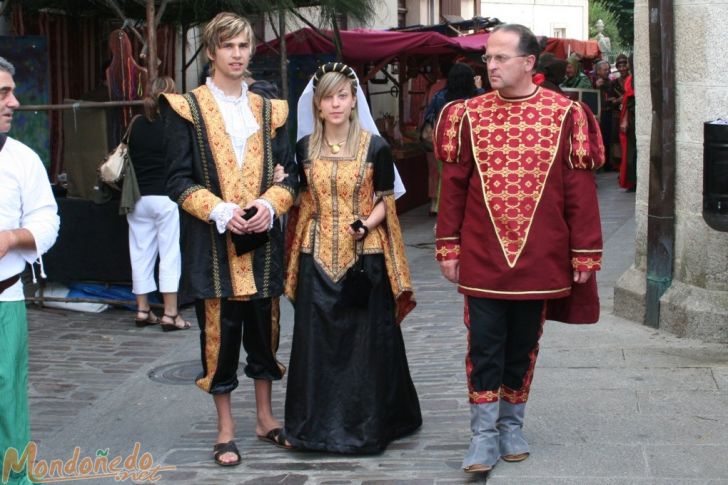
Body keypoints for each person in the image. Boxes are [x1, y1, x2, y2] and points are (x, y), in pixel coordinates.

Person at [433, 24, 604, 474]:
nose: (490, 66)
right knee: (484, 343)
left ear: (528, 62)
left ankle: (511, 424)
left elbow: (578, 190)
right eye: (487, 58)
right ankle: (483, 435)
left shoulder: (565, 114)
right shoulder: (466, 114)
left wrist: (585, 251)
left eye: (500, 58)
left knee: (524, 344)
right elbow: (452, 188)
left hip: (541, 254)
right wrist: (449, 246)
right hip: (483, 254)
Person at [160, 12, 298, 467]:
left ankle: (265, 418)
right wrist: (220, 211)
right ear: (212, 51)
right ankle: (225, 429)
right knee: (218, 339)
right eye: (229, 46)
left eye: (243, 46)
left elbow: (290, 174)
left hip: (261, 241)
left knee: (265, 331)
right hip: (214, 247)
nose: (237, 55)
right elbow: (177, 180)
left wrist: (270, 204)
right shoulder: (187, 108)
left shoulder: (271, 109)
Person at [283, 62, 421, 453]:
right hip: (316, 255)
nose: (336, 103)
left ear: (353, 99)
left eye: (342, 95)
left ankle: (368, 426)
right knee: (317, 342)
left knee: (366, 343)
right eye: (328, 97)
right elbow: (302, 200)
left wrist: (366, 222)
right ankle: (312, 428)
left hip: (365, 258)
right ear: (318, 104)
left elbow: (385, 202)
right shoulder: (303, 149)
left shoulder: (375, 147)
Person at [0, 56, 60, 484]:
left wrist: (10, 239)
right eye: (3, 93)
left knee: (6, 396)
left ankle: (13, 477)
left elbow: (46, 220)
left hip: (4, 299)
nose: (14, 102)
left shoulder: (23, 159)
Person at [126, 76, 190, 331]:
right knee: (169, 254)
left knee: (140, 253)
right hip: (167, 197)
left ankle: (143, 309)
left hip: (139, 197)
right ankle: (171, 313)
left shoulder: (137, 123)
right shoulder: (173, 124)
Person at [422, 63, 485, 215]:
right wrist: (479, 88)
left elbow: (429, 119)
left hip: (444, 145)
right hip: (470, 145)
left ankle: (444, 211)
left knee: (446, 178)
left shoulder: (440, 97)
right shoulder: (476, 97)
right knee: (470, 179)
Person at [619, 56, 636, 191]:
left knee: (633, 151)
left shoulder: (632, 79)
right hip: (632, 118)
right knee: (631, 151)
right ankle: (632, 181)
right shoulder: (631, 80)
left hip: (634, 117)